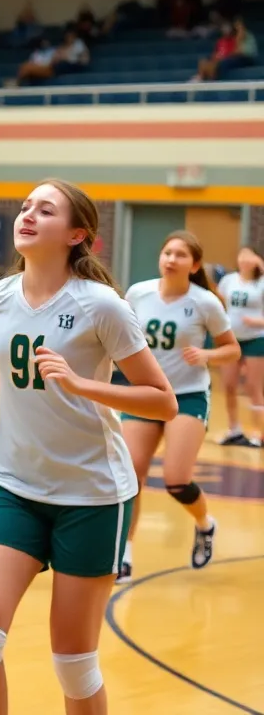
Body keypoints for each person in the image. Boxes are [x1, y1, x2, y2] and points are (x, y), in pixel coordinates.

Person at [0, 179, 176, 714]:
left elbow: (163, 402)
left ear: (77, 235)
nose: (27, 215)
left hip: (92, 496)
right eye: (26, 207)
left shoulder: (102, 307)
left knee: (73, 663)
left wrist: (83, 384)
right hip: (15, 488)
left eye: (45, 210)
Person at [118, 232, 238, 583]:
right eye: (167, 252)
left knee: (176, 481)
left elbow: (231, 349)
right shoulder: (138, 293)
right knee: (129, 478)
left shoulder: (205, 302)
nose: (171, 259)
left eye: (180, 255)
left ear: (195, 265)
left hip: (187, 395)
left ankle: (205, 524)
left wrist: (207, 354)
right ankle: (124, 555)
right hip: (145, 394)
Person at [215, 246, 264, 446]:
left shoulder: (261, 283)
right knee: (228, 385)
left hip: (255, 339)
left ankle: (259, 433)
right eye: (241, 255)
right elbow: (219, 305)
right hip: (231, 339)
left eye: (250, 256)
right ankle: (234, 429)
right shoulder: (229, 281)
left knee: (253, 387)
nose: (244, 259)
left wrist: (257, 322)